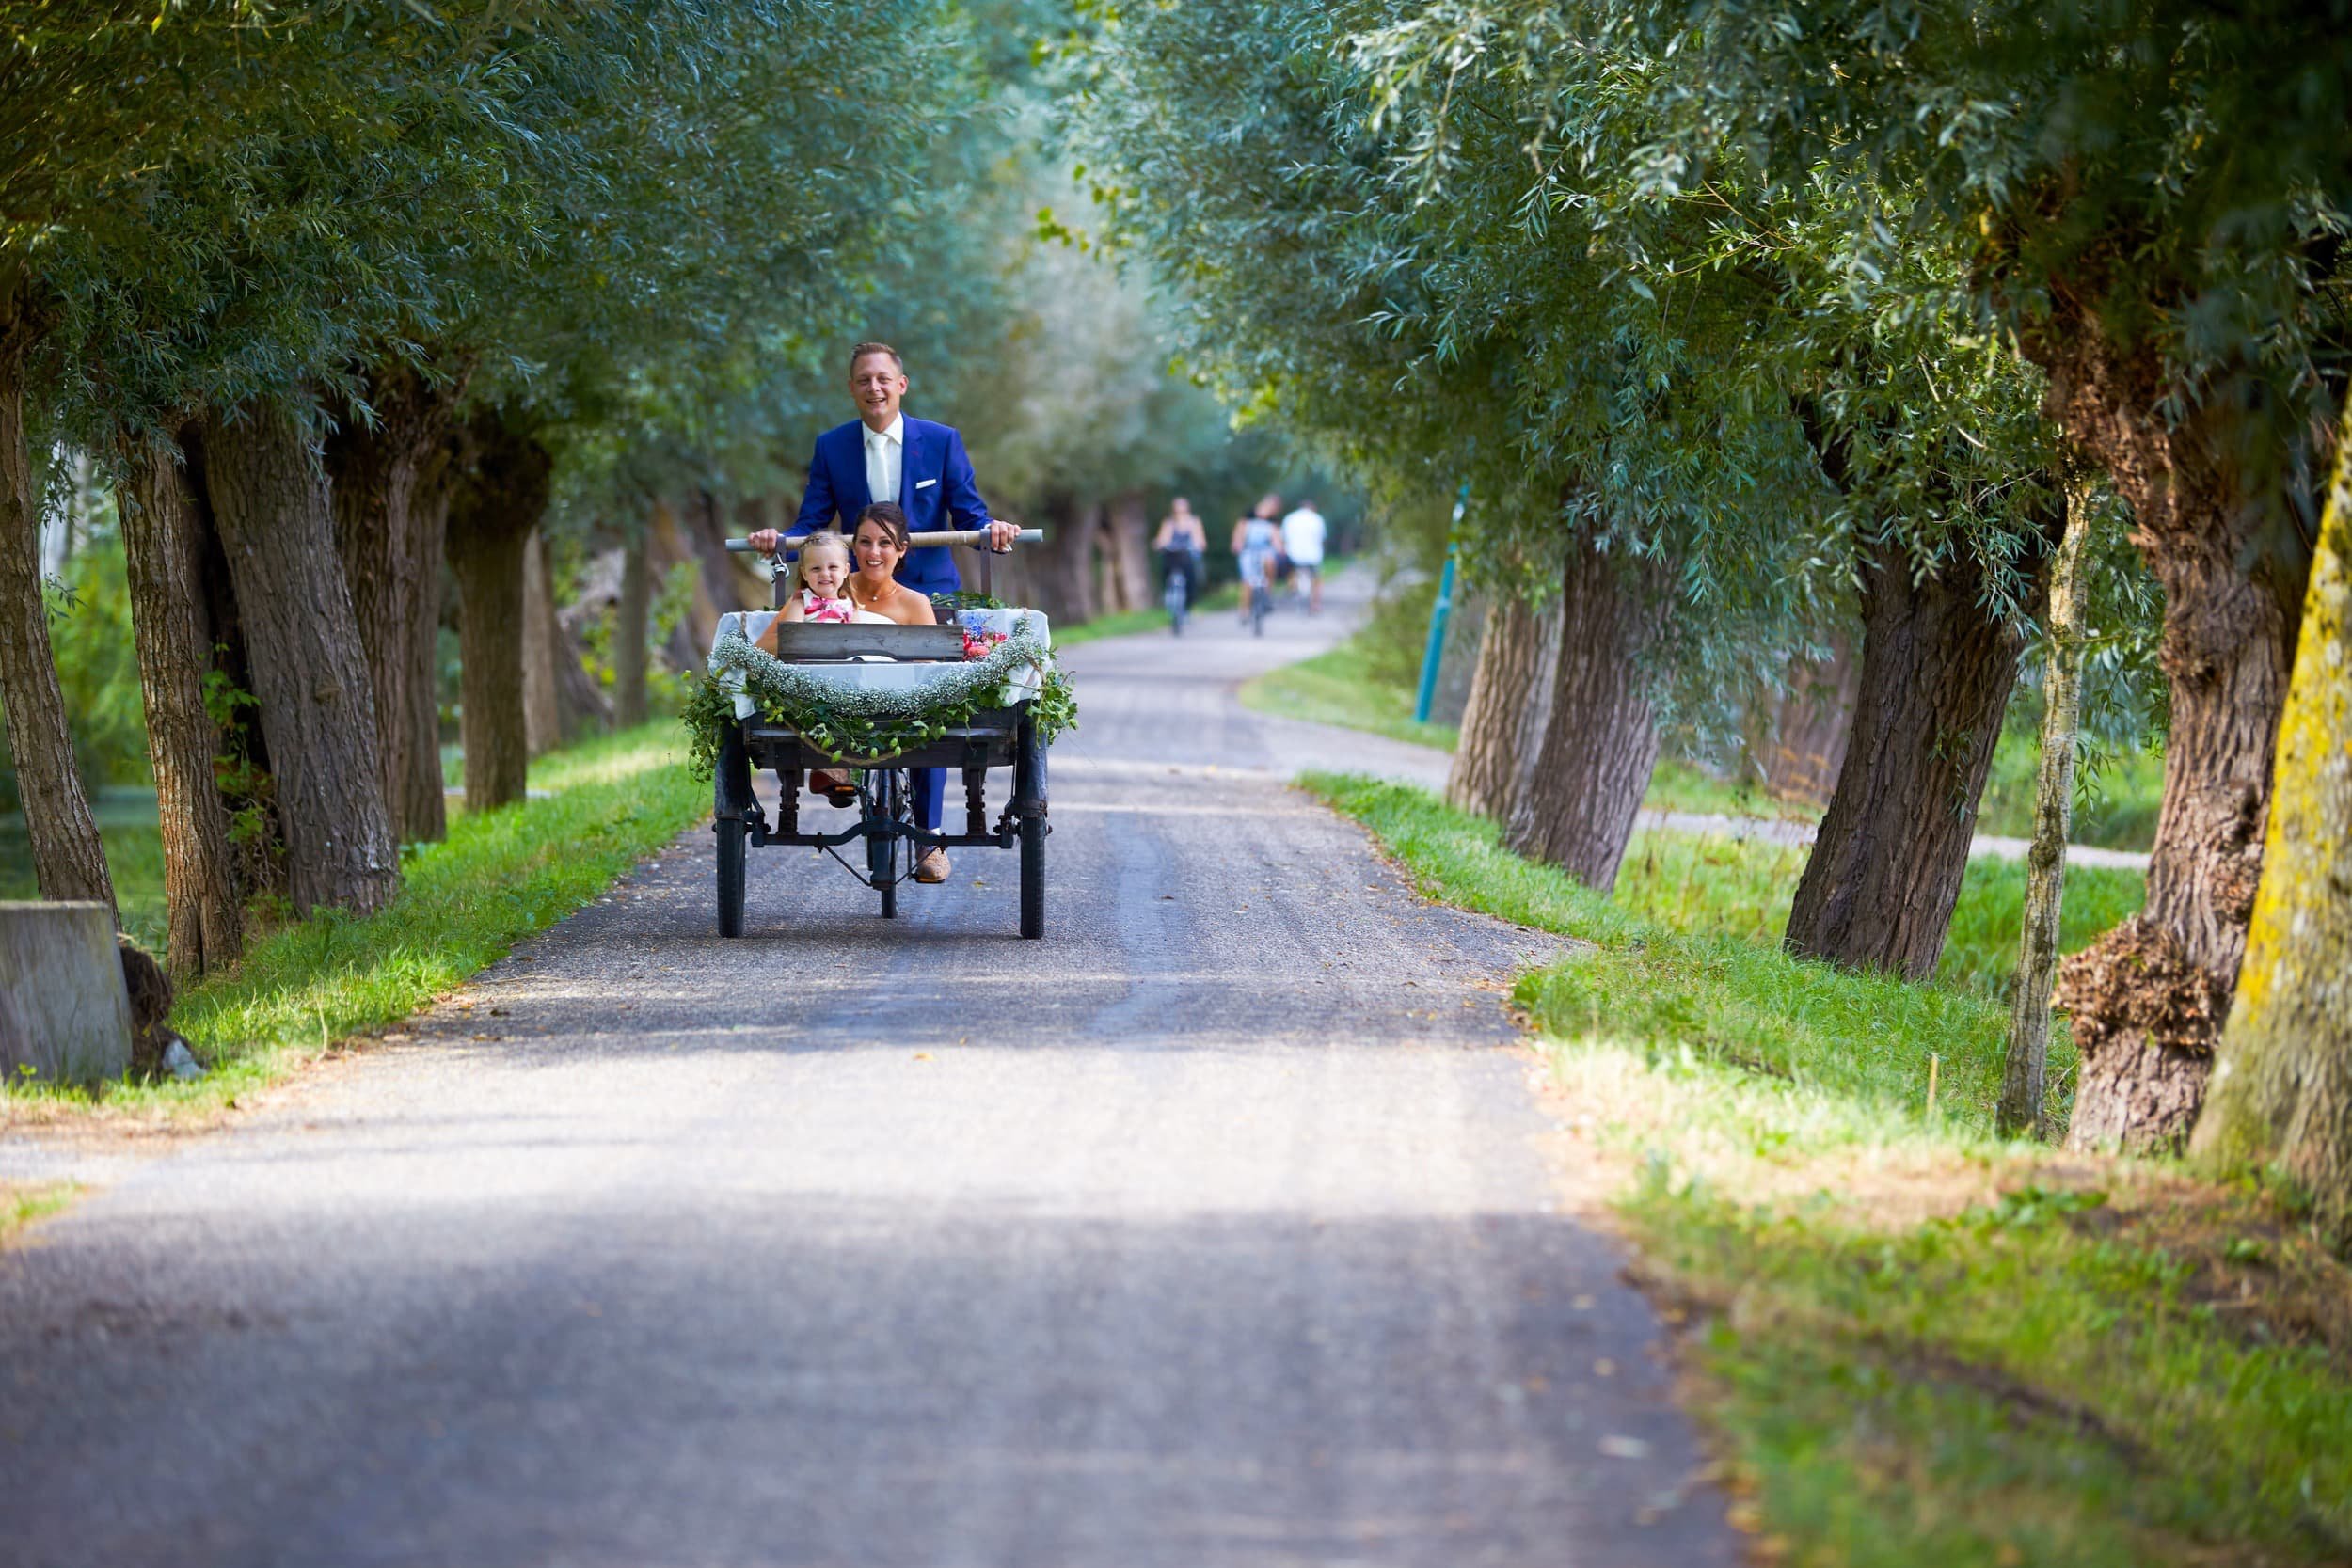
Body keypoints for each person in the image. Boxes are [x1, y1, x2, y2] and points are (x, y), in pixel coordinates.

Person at [746, 342, 1018, 884]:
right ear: (852, 389)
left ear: (902, 384)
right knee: (832, 664)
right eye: (863, 380)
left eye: (883, 379)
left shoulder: (941, 442)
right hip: (856, 586)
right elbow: (813, 521)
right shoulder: (833, 447)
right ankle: (835, 762)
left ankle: (931, 841)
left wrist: (993, 530)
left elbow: (969, 509)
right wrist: (777, 539)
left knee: (929, 703)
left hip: (928, 589)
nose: (874, 388)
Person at [1232, 493, 1283, 624]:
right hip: (1248, 550)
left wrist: (1280, 548)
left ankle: (1267, 594)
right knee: (1247, 581)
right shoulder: (1249, 515)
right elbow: (1239, 532)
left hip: (1265, 550)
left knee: (1271, 563)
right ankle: (1244, 610)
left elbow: (1276, 537)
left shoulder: (1272, 521)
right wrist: (1237, 543)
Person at [1152, 496, 1207, 609]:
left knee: (1190, 578)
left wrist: (1199, 545)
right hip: (1172, 554)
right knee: (1166, 574)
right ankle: (1167, 597)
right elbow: (1163, 538)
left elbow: (1199, 538)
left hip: (1186, 553)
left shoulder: (1193, 521)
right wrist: (1159, 543)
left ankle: (1188, 605)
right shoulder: (1169, 522)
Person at [1279, 496, 1327, 614]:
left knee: (1292, 572)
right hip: (1313, 555)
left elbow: (1282, 538)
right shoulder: (1317, 519)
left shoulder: (1289, 518)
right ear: (1312, 507)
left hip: (1293, 555)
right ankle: (1315, 604)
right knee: (1317, 578)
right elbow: (1322, 538)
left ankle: (1293, 588)